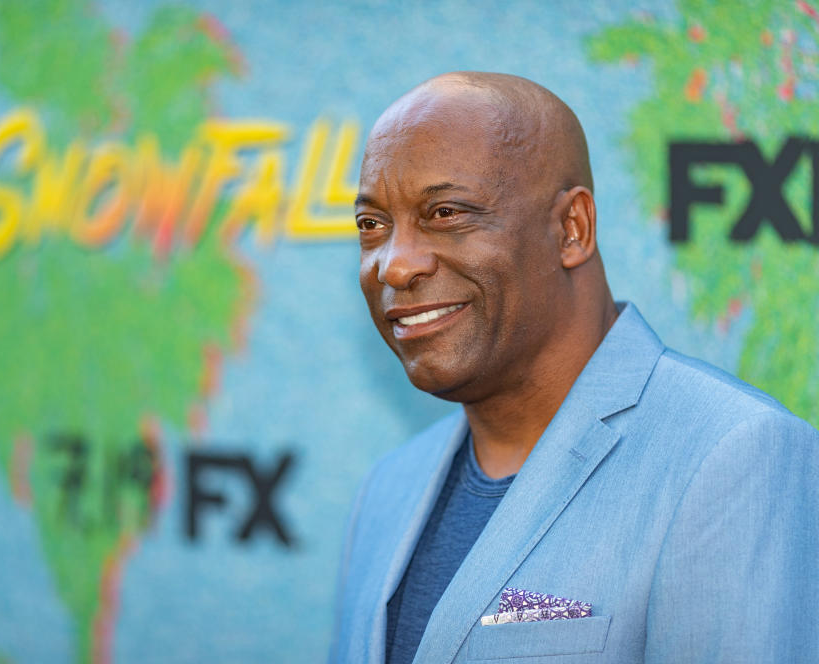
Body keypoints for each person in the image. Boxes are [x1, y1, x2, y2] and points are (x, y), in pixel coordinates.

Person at [330, 72, 819, 663]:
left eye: (446, 212)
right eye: (371, 225)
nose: (395, 265)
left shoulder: (733, 456)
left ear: (572, 229)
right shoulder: (389, 487)